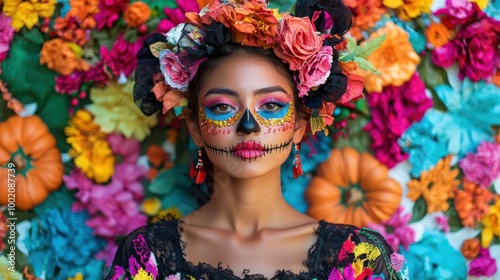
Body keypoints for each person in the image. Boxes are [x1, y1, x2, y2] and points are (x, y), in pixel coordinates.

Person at [107, 0, 408, 279]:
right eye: (222, 107)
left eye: (272, 106)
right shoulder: (149, 258)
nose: (248, 125)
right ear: (195, 128)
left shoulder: (356, 258)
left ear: (299, 125)